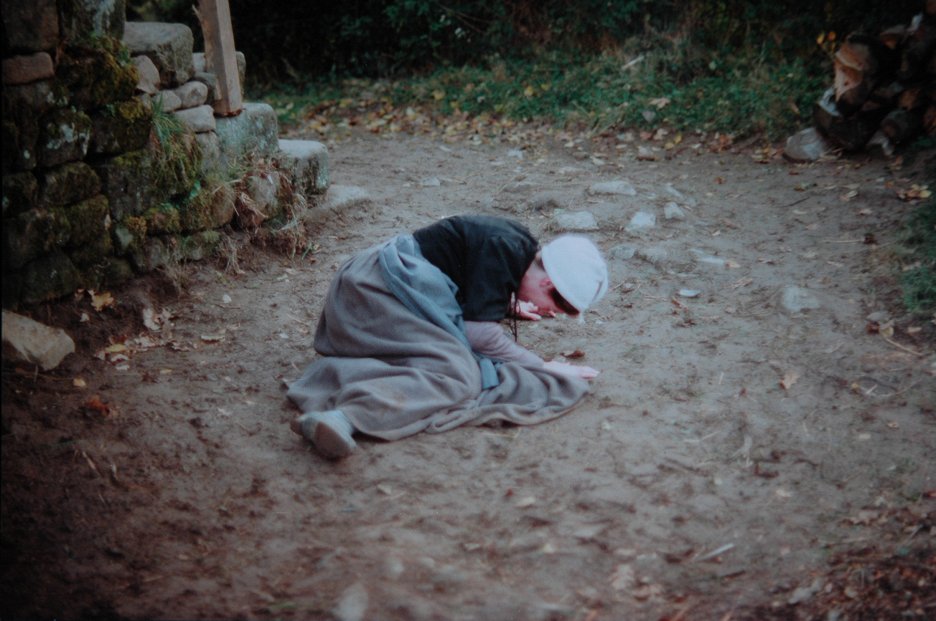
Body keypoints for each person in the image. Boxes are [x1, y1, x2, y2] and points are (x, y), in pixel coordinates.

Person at [287, 214, 608, 458]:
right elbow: (480, 336)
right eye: (560, 306)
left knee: (456, 361)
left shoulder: (518, 245)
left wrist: (502, 305)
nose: (553, 313)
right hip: (371, 296)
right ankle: (345, 417)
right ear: (547, 284)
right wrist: (543, 365)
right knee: (460, 375)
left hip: (373, 284)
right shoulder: (503, 252)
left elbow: (467, 272)